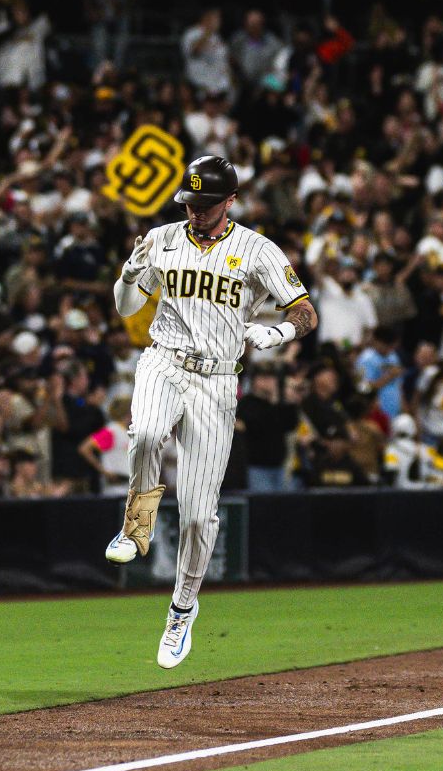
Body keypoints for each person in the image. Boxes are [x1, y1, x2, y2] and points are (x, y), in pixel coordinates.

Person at [105, 155, 317, 668]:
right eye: (189, 203)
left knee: (200, 517)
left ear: (230, 201)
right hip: (164, 358)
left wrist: (279, 332)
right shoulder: (162, 238)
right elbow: (127, 308)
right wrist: (131, 272)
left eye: (205, 204)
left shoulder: (258, 250)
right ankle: (135, 527)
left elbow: (306, 312)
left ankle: (182, 608)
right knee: (148, 433)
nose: (195, 212)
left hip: (218, 379)